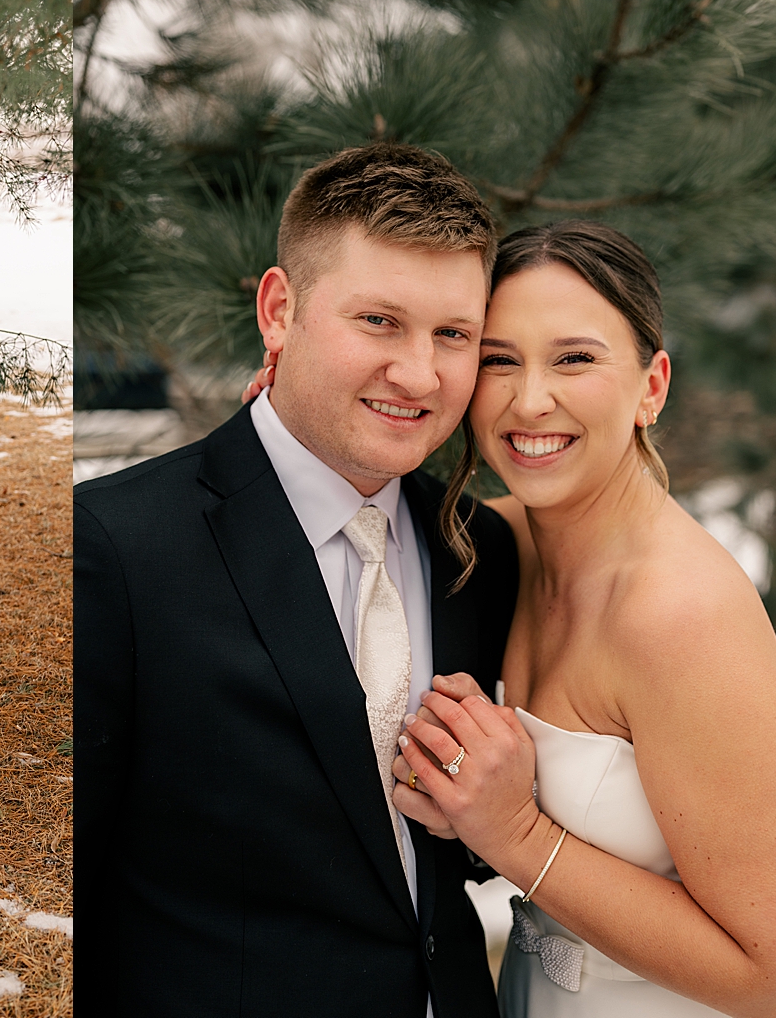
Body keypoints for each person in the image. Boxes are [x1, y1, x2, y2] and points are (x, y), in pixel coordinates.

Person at [75, 143, 519, 1017]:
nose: (420, 374)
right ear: (279, 310)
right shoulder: (117, 546)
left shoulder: (480, 552)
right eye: (378, 322)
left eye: (453, 334)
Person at [377, 221, 776, 1017]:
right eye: (498, 360)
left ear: (652, 386)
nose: (530, 398)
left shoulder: (681, 614)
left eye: (575, 358)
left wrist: (512, 831)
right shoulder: (499, 546)